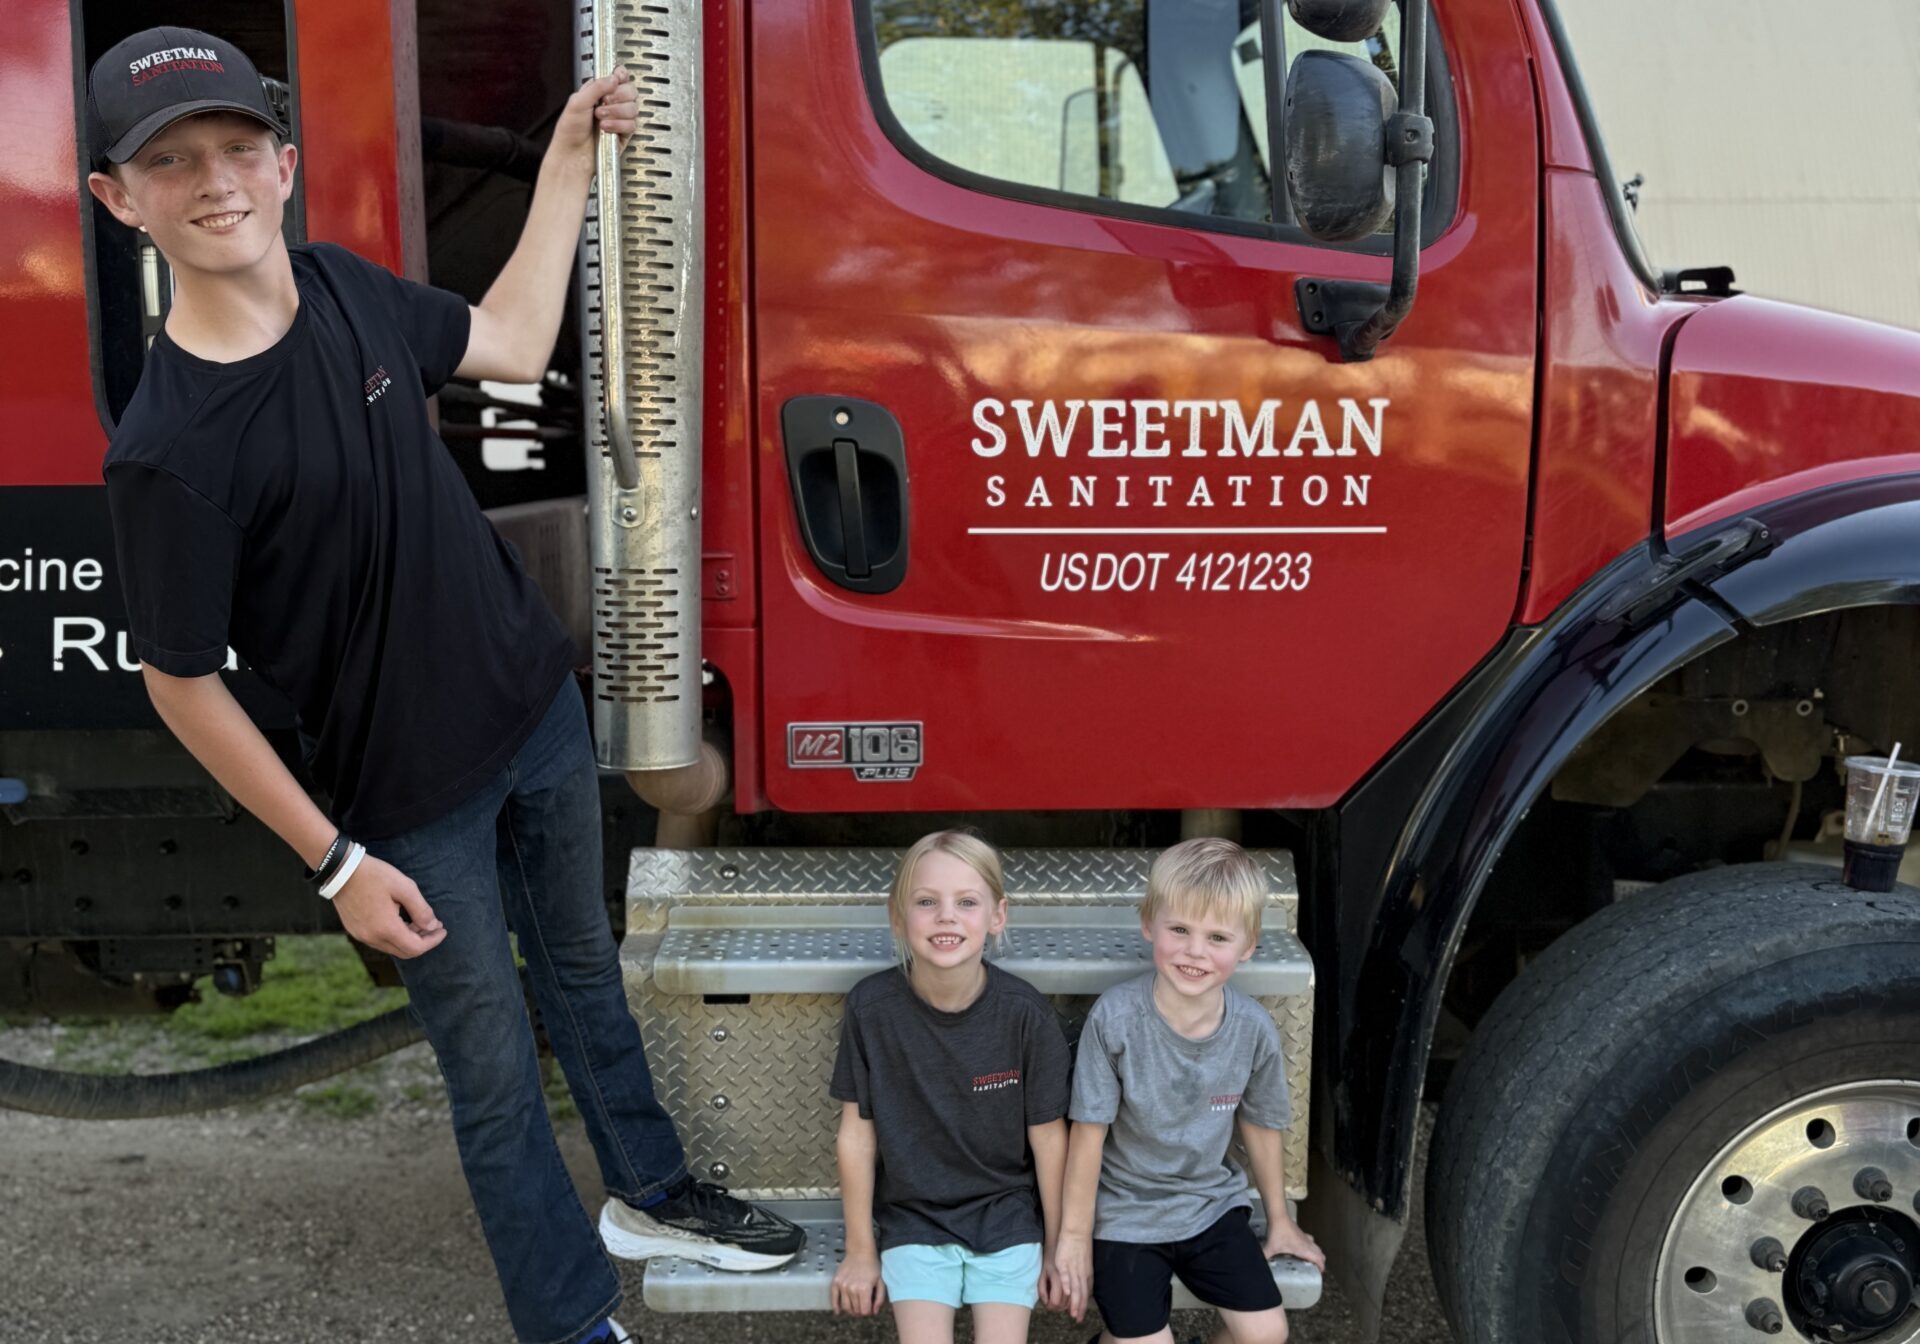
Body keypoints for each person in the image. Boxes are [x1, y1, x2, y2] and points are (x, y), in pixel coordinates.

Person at [83, 26, 801, 1344]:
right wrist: (338, 864)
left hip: (532, 710)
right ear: (118, 200)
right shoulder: (167, 452)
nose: (215, 180)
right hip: (407, 802)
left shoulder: (348, 291)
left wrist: (570, 160)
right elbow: (180, 685)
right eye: (170, 161)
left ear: (285, 163)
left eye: (238, 147)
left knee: (585, 970)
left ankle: (653, 1190)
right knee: (490, 1078)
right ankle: (571, 1320)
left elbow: (517, 341)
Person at [1052, 838, 1327, 1344]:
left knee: (1266, 1332)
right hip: (1124, 1212)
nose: (1195, 951)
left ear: (1247, 947)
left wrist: (1281, 1220)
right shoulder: (1115, 1019)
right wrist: (1072, 1237)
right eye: (1179, 929)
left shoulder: (1253, 1029)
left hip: (1209, 1206)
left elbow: (1263, 1124)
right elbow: (1087, 1135)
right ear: (1148, 924)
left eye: (1218, 937)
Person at [829, 831, 1073, 1344]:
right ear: (898, 917)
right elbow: (857, 1135)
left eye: (967, 902)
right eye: (926, 902)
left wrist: (1057, 1248)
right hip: (915, 1221)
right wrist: (859, 1251)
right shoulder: (871, 1010)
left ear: (997, 916)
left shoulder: (1025, 1015)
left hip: (1006, 1219)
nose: (946, 916)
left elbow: (1049, 1140)